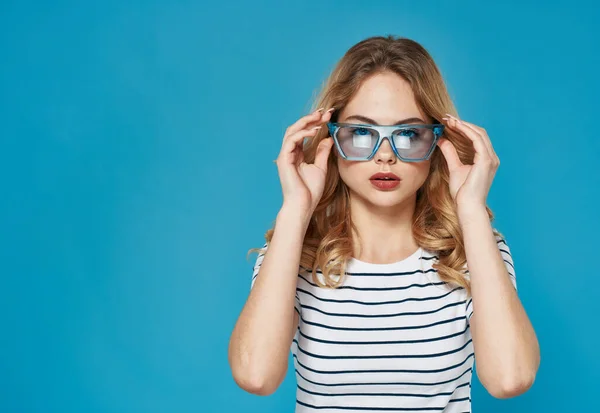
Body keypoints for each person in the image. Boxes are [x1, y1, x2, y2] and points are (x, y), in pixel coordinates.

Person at [228, 35, 540, 412]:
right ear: (330, 138)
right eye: (361, 132)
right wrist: (296, 209)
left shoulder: (472, 252)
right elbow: (255, 376)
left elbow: (511, 378)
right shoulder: (292, 254)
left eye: (408, 133)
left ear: (438, 141)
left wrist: (470, 209)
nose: (385, 156)